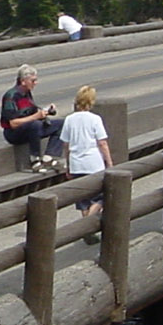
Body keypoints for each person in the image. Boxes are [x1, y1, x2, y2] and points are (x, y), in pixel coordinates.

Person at [59, 85, 113, 232]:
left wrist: (68, 165)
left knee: (83, 200)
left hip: (77, 164)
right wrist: (109, 162)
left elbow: (66, 145)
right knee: (101, 197)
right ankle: (89, 224)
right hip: (93, 164)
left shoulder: (69, 120)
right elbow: (102, 143)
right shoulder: (95, 119)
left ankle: (86, 229)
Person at [0, 65, 63, 172]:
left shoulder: (27, 94)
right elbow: (13, 124)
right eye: (33, 81)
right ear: (23, 81)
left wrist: (45, 112)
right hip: (14, 133)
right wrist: (35, 117)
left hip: (31, 128)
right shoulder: (11, 96)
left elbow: (32, 113)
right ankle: (35, 160)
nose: (35, 83)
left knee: (62, 124)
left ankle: (50, 156)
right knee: (35, 125)